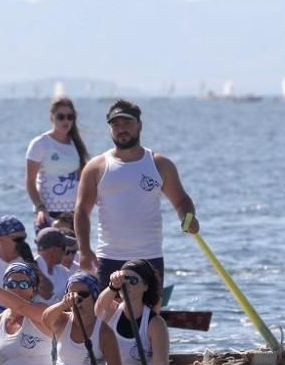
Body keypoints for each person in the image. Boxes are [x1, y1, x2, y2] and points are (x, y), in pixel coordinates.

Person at [74, 99, 199, 290]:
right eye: (116, 125)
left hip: (149, 257)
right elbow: (82, 211)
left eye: (127, 123)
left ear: (139, 125)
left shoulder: (159, 164)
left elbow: (182, 201)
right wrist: (84, 250)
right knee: (107, 318)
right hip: (108, 258)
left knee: (150, 317)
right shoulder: (96, 167)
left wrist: (188, 217)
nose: (121, 129)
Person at [94, 259, 170, 365]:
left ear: (145, 287)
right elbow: (98, 309)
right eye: (124, 280)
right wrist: (112, 286)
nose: (127, 284)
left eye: (133, 280)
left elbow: (161, 364)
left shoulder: (155, 323)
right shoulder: (111, 311)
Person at [26, 96, 91, 232]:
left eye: (70, 117)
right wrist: (40, 208)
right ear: (52, 118)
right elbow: (30, 182)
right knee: (50, 252)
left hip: (73, 213)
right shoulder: (40, 144)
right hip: (48, 212)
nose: (66, 120)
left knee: (74, 253)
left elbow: (83, 179)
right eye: (61, 117)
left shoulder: (76, 144)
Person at [0, 215, 52, 317]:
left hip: (28, 318)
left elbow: (47, 294)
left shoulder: (33, 261)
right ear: (0, 239)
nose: (22, 243)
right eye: (17, 239)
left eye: (23, 238)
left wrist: (34, 267)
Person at [33, 227, 73, 306]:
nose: (65, 253)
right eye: (64, 248)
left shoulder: (63, 271)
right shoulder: (30, 270)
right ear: (54, 250)